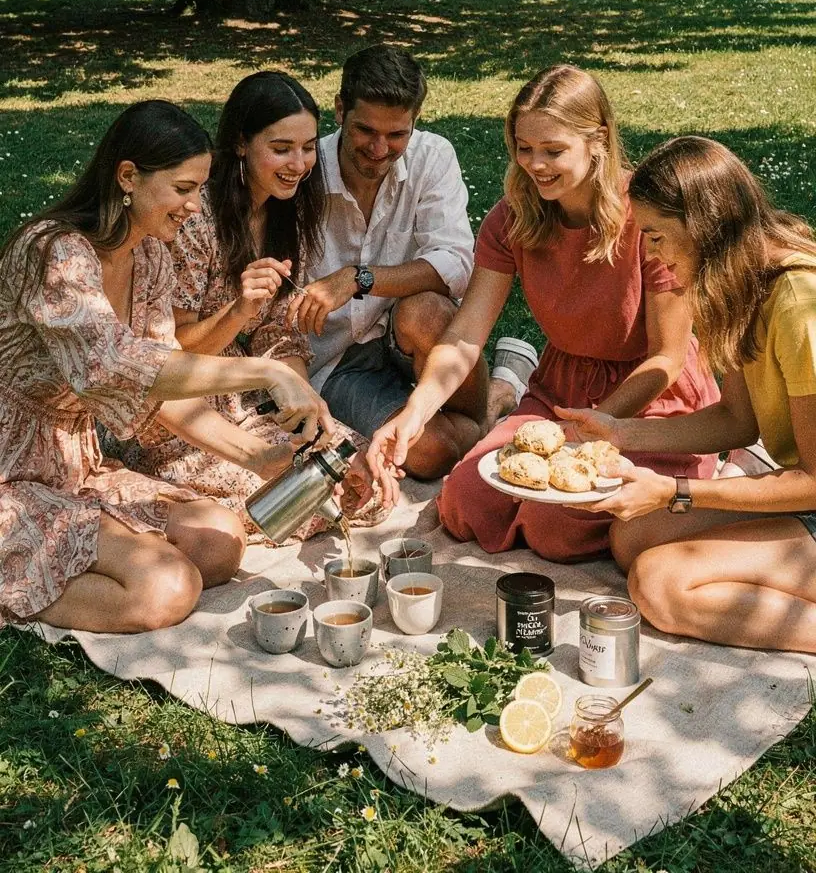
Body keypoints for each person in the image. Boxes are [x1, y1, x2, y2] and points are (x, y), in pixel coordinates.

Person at [0, 101, 337, 635]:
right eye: (183, 189)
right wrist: (266, 372)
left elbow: (163, 387)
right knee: (169, 587)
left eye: (200, 189)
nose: (195, 206)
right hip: (8, 473)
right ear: (128, 177)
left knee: (221, 542)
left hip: (76, 466)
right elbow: (113, 365)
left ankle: (75, 556)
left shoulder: (151, 254)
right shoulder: (54, 253)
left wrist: (262, 458)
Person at [368, 66, 720, 562]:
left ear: (597, 139)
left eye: (553, 150)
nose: (535, 165)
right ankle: (509, 396)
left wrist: (597, 426)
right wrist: (415, 412)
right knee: (465, 503)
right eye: (523, 147)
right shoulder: (513, 216)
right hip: (563, 389)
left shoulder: (648, 213)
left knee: (558, 527)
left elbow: (665, 358)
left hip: (649, 399)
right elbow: (467, 333)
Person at [561, 136, 816, 655]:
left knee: (660, 585)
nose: (649, 253)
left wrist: (678, 491)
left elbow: (814, 481)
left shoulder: (796, 304)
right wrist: (622, 431)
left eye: (655, 236)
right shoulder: (744, 281)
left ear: (705, 225)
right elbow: (737, 421)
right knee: (631, 538)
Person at [104, 73, 385, 539]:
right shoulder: (192, 218)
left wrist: (309, 411)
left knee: (358, 474)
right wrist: (236, 311)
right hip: (185, 411)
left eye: (309, 147)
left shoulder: (285, 210)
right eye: (281, 149)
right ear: (240, 144)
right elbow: (167, 352)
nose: (299, 164)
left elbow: (279, 334)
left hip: (252, 402)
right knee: (296, 499)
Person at [287, 44, 488, 478]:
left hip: (403, 328)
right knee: (429, 455)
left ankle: (482, 414)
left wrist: (358, 279)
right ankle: (500, 402)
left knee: (427, 310)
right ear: (340, 110)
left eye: (397, 135)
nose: (379, 149)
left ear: (415, 120)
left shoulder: (432, 156)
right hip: (337, 359)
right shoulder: (305, 169)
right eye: (366, 131)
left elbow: (455, 264)